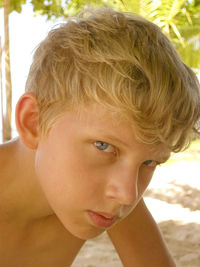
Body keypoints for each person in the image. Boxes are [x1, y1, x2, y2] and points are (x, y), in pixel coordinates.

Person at [0, 7, 199, 267]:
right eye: (104, 146)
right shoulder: (102, 194)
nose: (129, 194)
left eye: (149, 163)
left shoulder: (107, 195)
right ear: (33, 122)